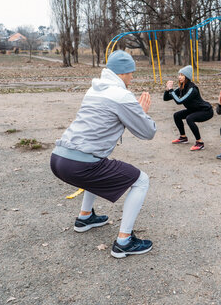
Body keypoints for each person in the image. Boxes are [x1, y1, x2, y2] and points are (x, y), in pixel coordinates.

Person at [50, 50, 157, 258]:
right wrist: (141, 112)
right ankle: (124, 242)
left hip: (59, 158)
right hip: (79, 165)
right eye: (131, 73)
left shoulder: (94, 90)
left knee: (99, 164)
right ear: (123, 73)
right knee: (141, 180)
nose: (132, 77)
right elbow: (148, 132)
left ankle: (85, 217)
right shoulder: (122, 95)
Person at [163, 65, 213, 151]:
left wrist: (171, 90)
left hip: (205, 111)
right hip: (193, 110)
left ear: (187, 77)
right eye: (179, 75)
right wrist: (167, 90)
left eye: (182, 75)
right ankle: (183, 138)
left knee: (189, 118)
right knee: (177, 115)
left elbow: (179, 101)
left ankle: (200, 143)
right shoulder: (182, 87)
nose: (179, 77)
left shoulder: (192, 89)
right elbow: (166, 98)